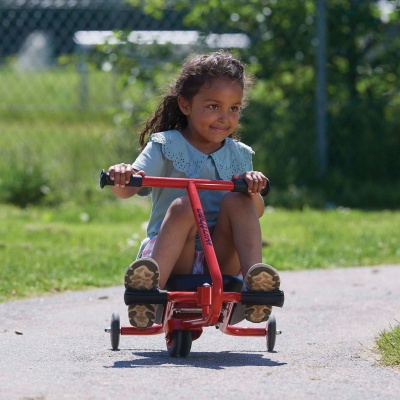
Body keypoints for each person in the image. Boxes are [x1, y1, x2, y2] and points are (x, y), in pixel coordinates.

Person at [107, 50, 281, 329]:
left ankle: (255, 288)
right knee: (183, 204)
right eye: (213, 106)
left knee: (239, 201)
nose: (225, 117)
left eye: (233, 108)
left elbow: (255, 212)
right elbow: (129, 188)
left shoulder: (239, 154)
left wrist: (252, 189)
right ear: (185, 105)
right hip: (175, 254)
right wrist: (123, 175)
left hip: (221, 258)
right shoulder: (165, 145)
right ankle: (148, 295)